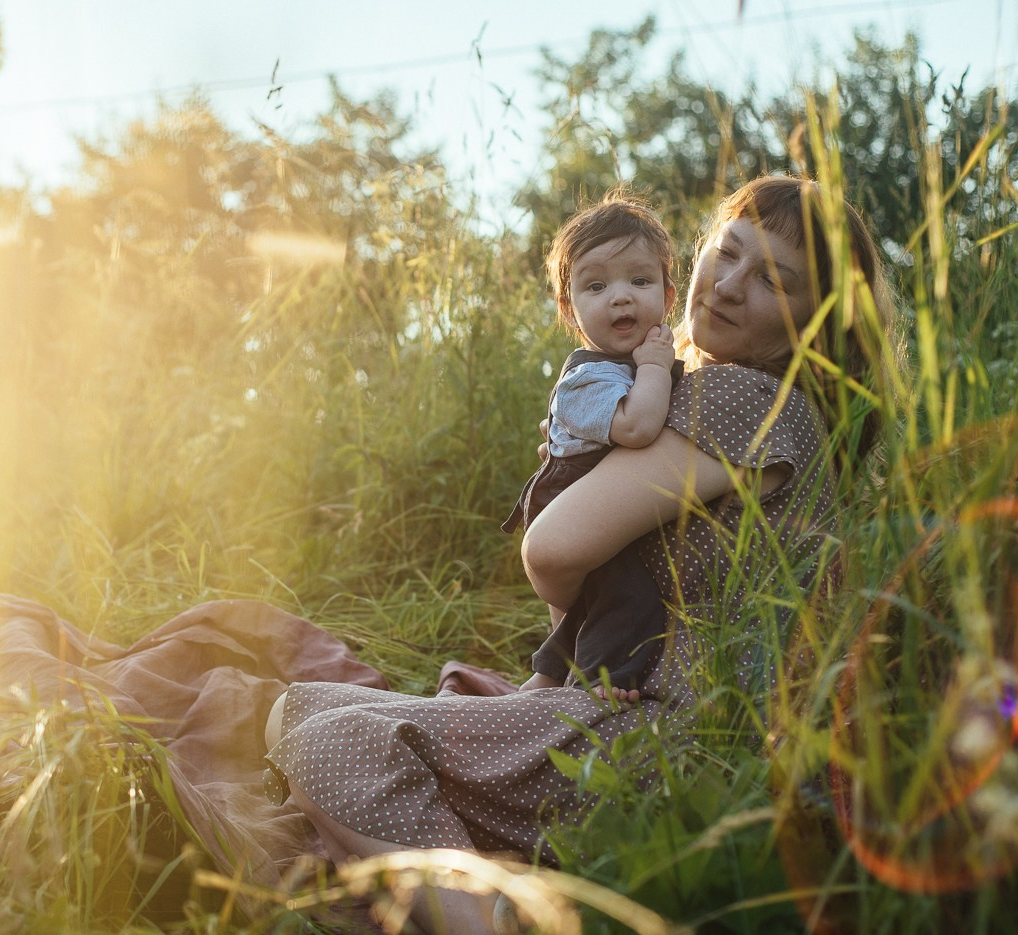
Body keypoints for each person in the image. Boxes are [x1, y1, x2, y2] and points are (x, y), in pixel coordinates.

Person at [264, 175, 894, 934]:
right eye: (726, 253)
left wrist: (570, 508)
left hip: (665, 734)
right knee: (298, 706)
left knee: (332, 741)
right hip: (652, 713)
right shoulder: (739, 402)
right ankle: (476, 870)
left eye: (773, 280)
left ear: (814, 321)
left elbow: (553, 549)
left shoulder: (742, 400)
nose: (728, 285)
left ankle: (491, 919)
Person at [500, 193, 683, 699]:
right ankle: (606, 679)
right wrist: (653, 369)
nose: (620, 297)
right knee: (624, 591)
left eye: (639, 281)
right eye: (597, 285)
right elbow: (639, 428)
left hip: (602, 491)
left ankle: (546, 678)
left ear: (669, 297)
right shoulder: (587, 377)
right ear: (571, 309)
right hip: (570, 496)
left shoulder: (645, 357)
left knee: (597, 603)